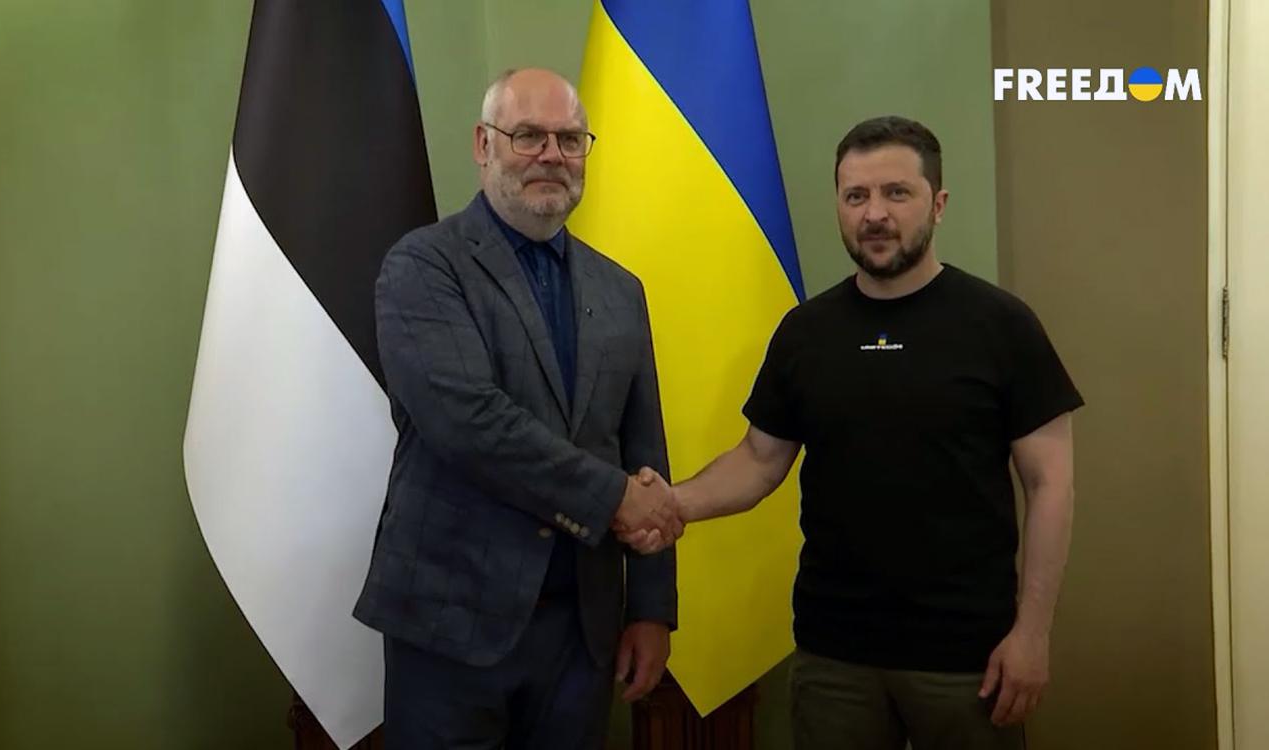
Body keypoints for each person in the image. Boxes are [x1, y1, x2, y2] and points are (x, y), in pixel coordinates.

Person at [626, 115, 1083, 750]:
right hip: (833, 656)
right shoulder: (806, 333)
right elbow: (759, 460)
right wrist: (672, 503)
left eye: (897, 193)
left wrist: (1032, 634)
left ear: (938, 204)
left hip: (968, 659)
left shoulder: (1002, 326)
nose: (875, 214)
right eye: (856, 196)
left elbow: (1051, 486)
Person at [353, 68, 682, 750]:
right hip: (451, 626)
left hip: (583, 634)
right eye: (528, 135)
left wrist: (651, 608)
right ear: (484, 144)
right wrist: (616, 499)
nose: (551, 155)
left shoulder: (620, 289)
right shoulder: (423, 266)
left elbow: (644, 449)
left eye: (569, 139)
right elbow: (467, 422)